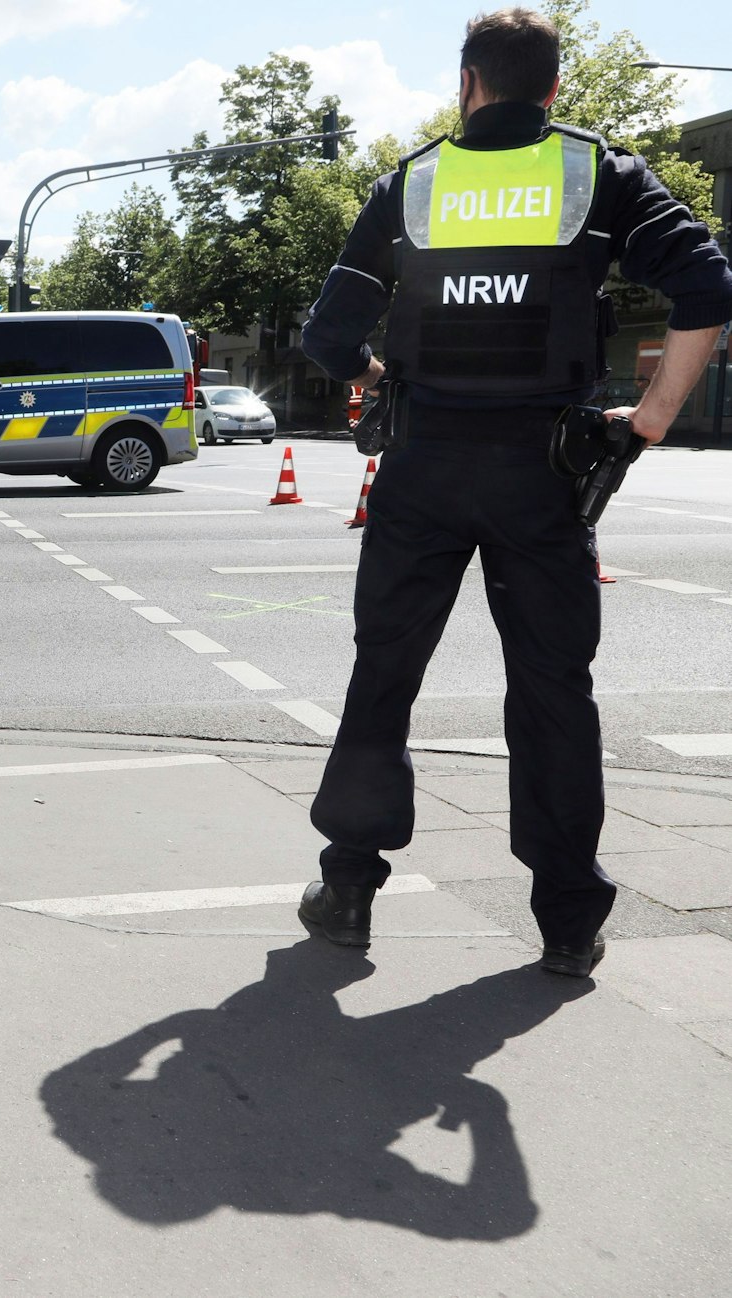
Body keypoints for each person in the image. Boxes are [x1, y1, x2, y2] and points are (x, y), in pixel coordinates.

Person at [297, 7, 732, 978]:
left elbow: (327, 337)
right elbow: (709, 284)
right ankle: (569, 919)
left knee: (385, 675)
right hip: (546, 474)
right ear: (553, 89)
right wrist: (651, 419)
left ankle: (352, 888)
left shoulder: (411, 183)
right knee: (550, 691)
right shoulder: (600, 175)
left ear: (467, 84)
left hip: (422, 468)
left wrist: (369, 368)